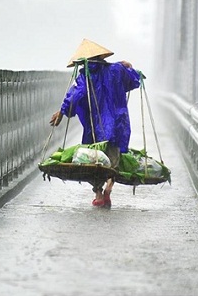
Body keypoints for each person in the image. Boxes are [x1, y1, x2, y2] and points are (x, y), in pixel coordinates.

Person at [49, 38, 141, 208]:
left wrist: (62, 111)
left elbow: (76, 95)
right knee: (113, 161)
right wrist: (129, 66)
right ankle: (109, 189)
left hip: (95, 126)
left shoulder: (85, 75)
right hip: (117, 125)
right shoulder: (116, 70)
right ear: (101, 56)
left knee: (94, 161)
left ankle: (98, 194)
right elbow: (135, 81)